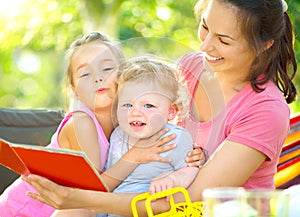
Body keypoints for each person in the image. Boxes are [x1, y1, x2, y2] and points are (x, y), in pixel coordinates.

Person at [24, 0, 297, 216]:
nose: (205, 45)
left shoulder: (264, 111)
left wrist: (86, 198)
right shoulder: (191, 67)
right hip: (145, 196)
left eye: (224, 40)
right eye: (204, 27)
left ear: (264, 44)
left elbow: (188, 199)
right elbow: (133, 116)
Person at [0, 32, 176, 217]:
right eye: (85, 73)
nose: (97, 78)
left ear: (124, 75)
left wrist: (192, 157)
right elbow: (91, 195)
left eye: (107, 69)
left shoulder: (131, 120)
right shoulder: (81, 123)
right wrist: (135, 156)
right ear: (74, 90)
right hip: (22, 211)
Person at [103, 56, 199, 217]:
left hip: (148, 209)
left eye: (148, 105)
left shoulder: (174, 137)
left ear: (171, 111)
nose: (135, 112)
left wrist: (173, 179)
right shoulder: (118, 135)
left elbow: (192, 170)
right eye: (127, 105)